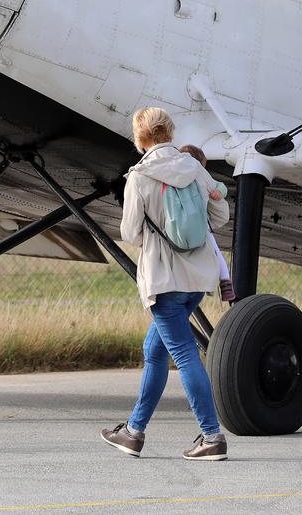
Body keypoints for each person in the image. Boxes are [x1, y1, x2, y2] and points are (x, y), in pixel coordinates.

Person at [101, 107, 230, 462]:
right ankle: (133, 431)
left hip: (163, 280)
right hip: (196, 279)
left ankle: (211, 436)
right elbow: (220, 214)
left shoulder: (139, 177)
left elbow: (130, 232)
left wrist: (152, 232)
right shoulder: (195, 169)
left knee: (185, 354)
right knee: (155, 351)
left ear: (140, 138)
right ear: (170, 133)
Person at [179, 145, 234, 303]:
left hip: (192, 224)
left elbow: (220, 187)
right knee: (214, 253)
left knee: (211, 252)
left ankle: (222, 281)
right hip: (199, 224)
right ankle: (222, 282)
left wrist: (219, 192)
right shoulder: (198, 176)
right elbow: (219, 186)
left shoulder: (179, 175)